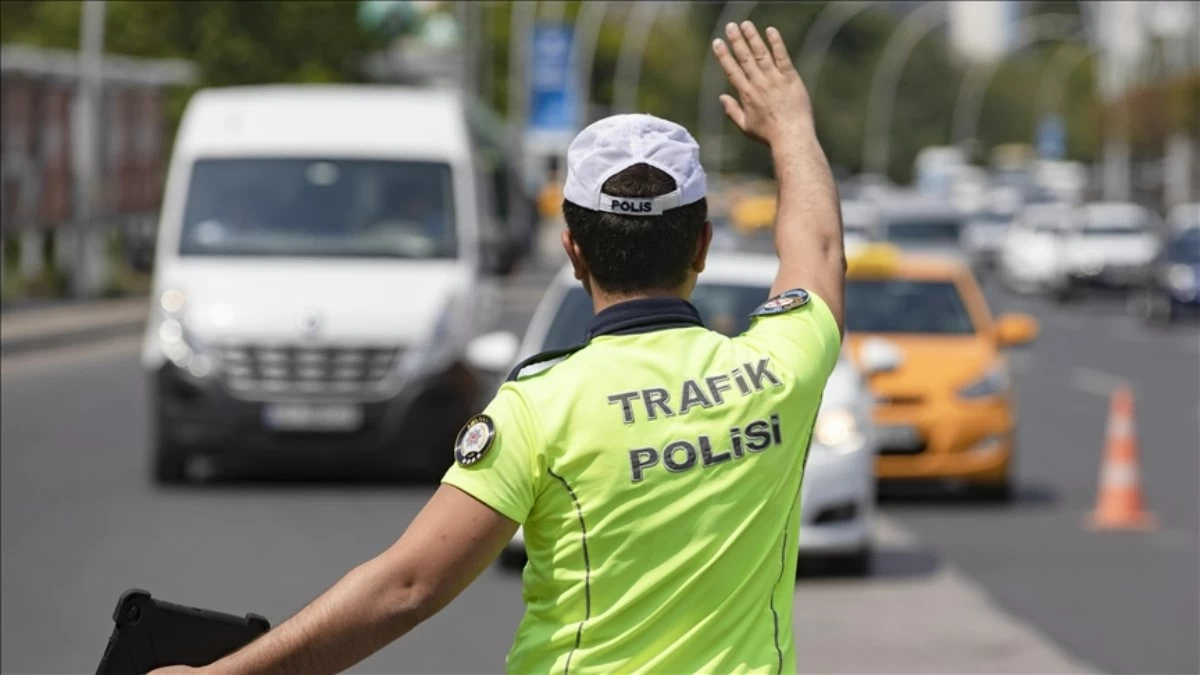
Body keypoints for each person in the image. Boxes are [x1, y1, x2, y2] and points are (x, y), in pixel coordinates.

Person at [151, 20, 844, 675]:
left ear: (573, 248)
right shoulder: (778, 369)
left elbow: (407, 586)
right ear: (702, 243)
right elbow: (816, 247)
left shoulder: (537, 410)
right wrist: (790, 128)